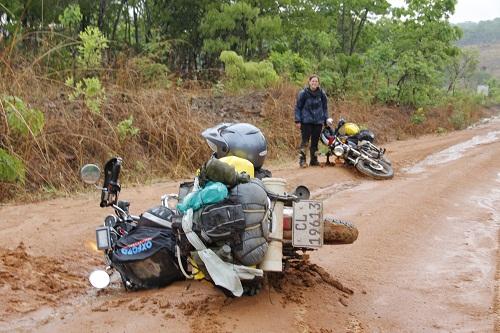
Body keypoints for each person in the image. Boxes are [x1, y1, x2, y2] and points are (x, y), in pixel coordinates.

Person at [294, 75, 329, 167]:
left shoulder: (322, 94)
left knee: (315, 142)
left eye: (316, 81)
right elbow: (298, 107)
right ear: (309, 82)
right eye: (313, 81)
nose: (314, 83)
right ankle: (302, 161)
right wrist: (298, 120)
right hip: (306, 121)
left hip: (318, 121)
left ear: (318, 83)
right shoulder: (303, 93)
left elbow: (325, 108)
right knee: (305, 141)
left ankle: (314, 160)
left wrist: (326, 119)